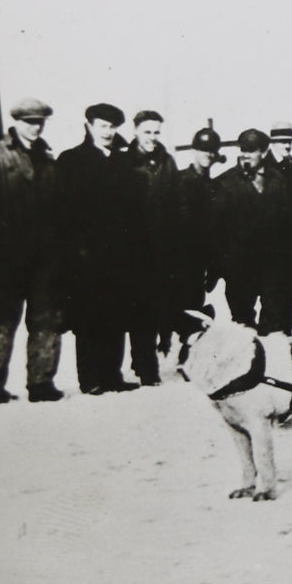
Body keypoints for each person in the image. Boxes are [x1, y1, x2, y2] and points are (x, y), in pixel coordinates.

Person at [56, 102, 142, 395]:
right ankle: (90, 378)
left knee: (116, 314)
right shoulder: (71, 160)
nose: (108, 132)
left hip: (119, 254)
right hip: (86, 255)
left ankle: (112, 375)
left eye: (113, 127)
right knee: (89, 316)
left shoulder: (123, 162)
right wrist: (76, 250)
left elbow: (132, 210)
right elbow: (64, 211)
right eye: (103, 126)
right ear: (90, 126)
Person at [0, 97, 64, 402]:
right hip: (9, 256)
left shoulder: (46, 157)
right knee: (4, 316)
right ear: (16, 122)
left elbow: (57, 207)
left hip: (44, 256)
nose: (35, 127)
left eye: (40, 122)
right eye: (30, 122)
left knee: (46, 318)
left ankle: (41, 383)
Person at [213, 128, 292, 335]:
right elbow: (217, 230)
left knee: (274, 326)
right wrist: (226, 266)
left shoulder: (277, 180)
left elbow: (289, 224)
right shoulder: (225, 183)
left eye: (251, 150)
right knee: (243, 327)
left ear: (263, 152)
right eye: (243, 149)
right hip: (240, 271)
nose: (245, 154)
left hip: (272, 269)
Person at [124, 109, 182, 384]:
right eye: (147, 132)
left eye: (156, 132)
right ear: (136, 131)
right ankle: (146, 367)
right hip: (135, 249)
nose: (152, 137)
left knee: (160, 306)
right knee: (140, 309)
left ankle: (150, 359)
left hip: (165, 248)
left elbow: (176, 202)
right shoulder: (125, 162)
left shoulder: (167, 161)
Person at [175, 125, 224, 351]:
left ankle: (190, 351)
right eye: (204, 150)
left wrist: (213, 265)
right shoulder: (179, 181)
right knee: (182, 307)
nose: (208, 155)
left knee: (196, 304)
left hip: (201, 261)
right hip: (181, 259)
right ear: (194, 150)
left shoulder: (213, 186)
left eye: (212, 151)